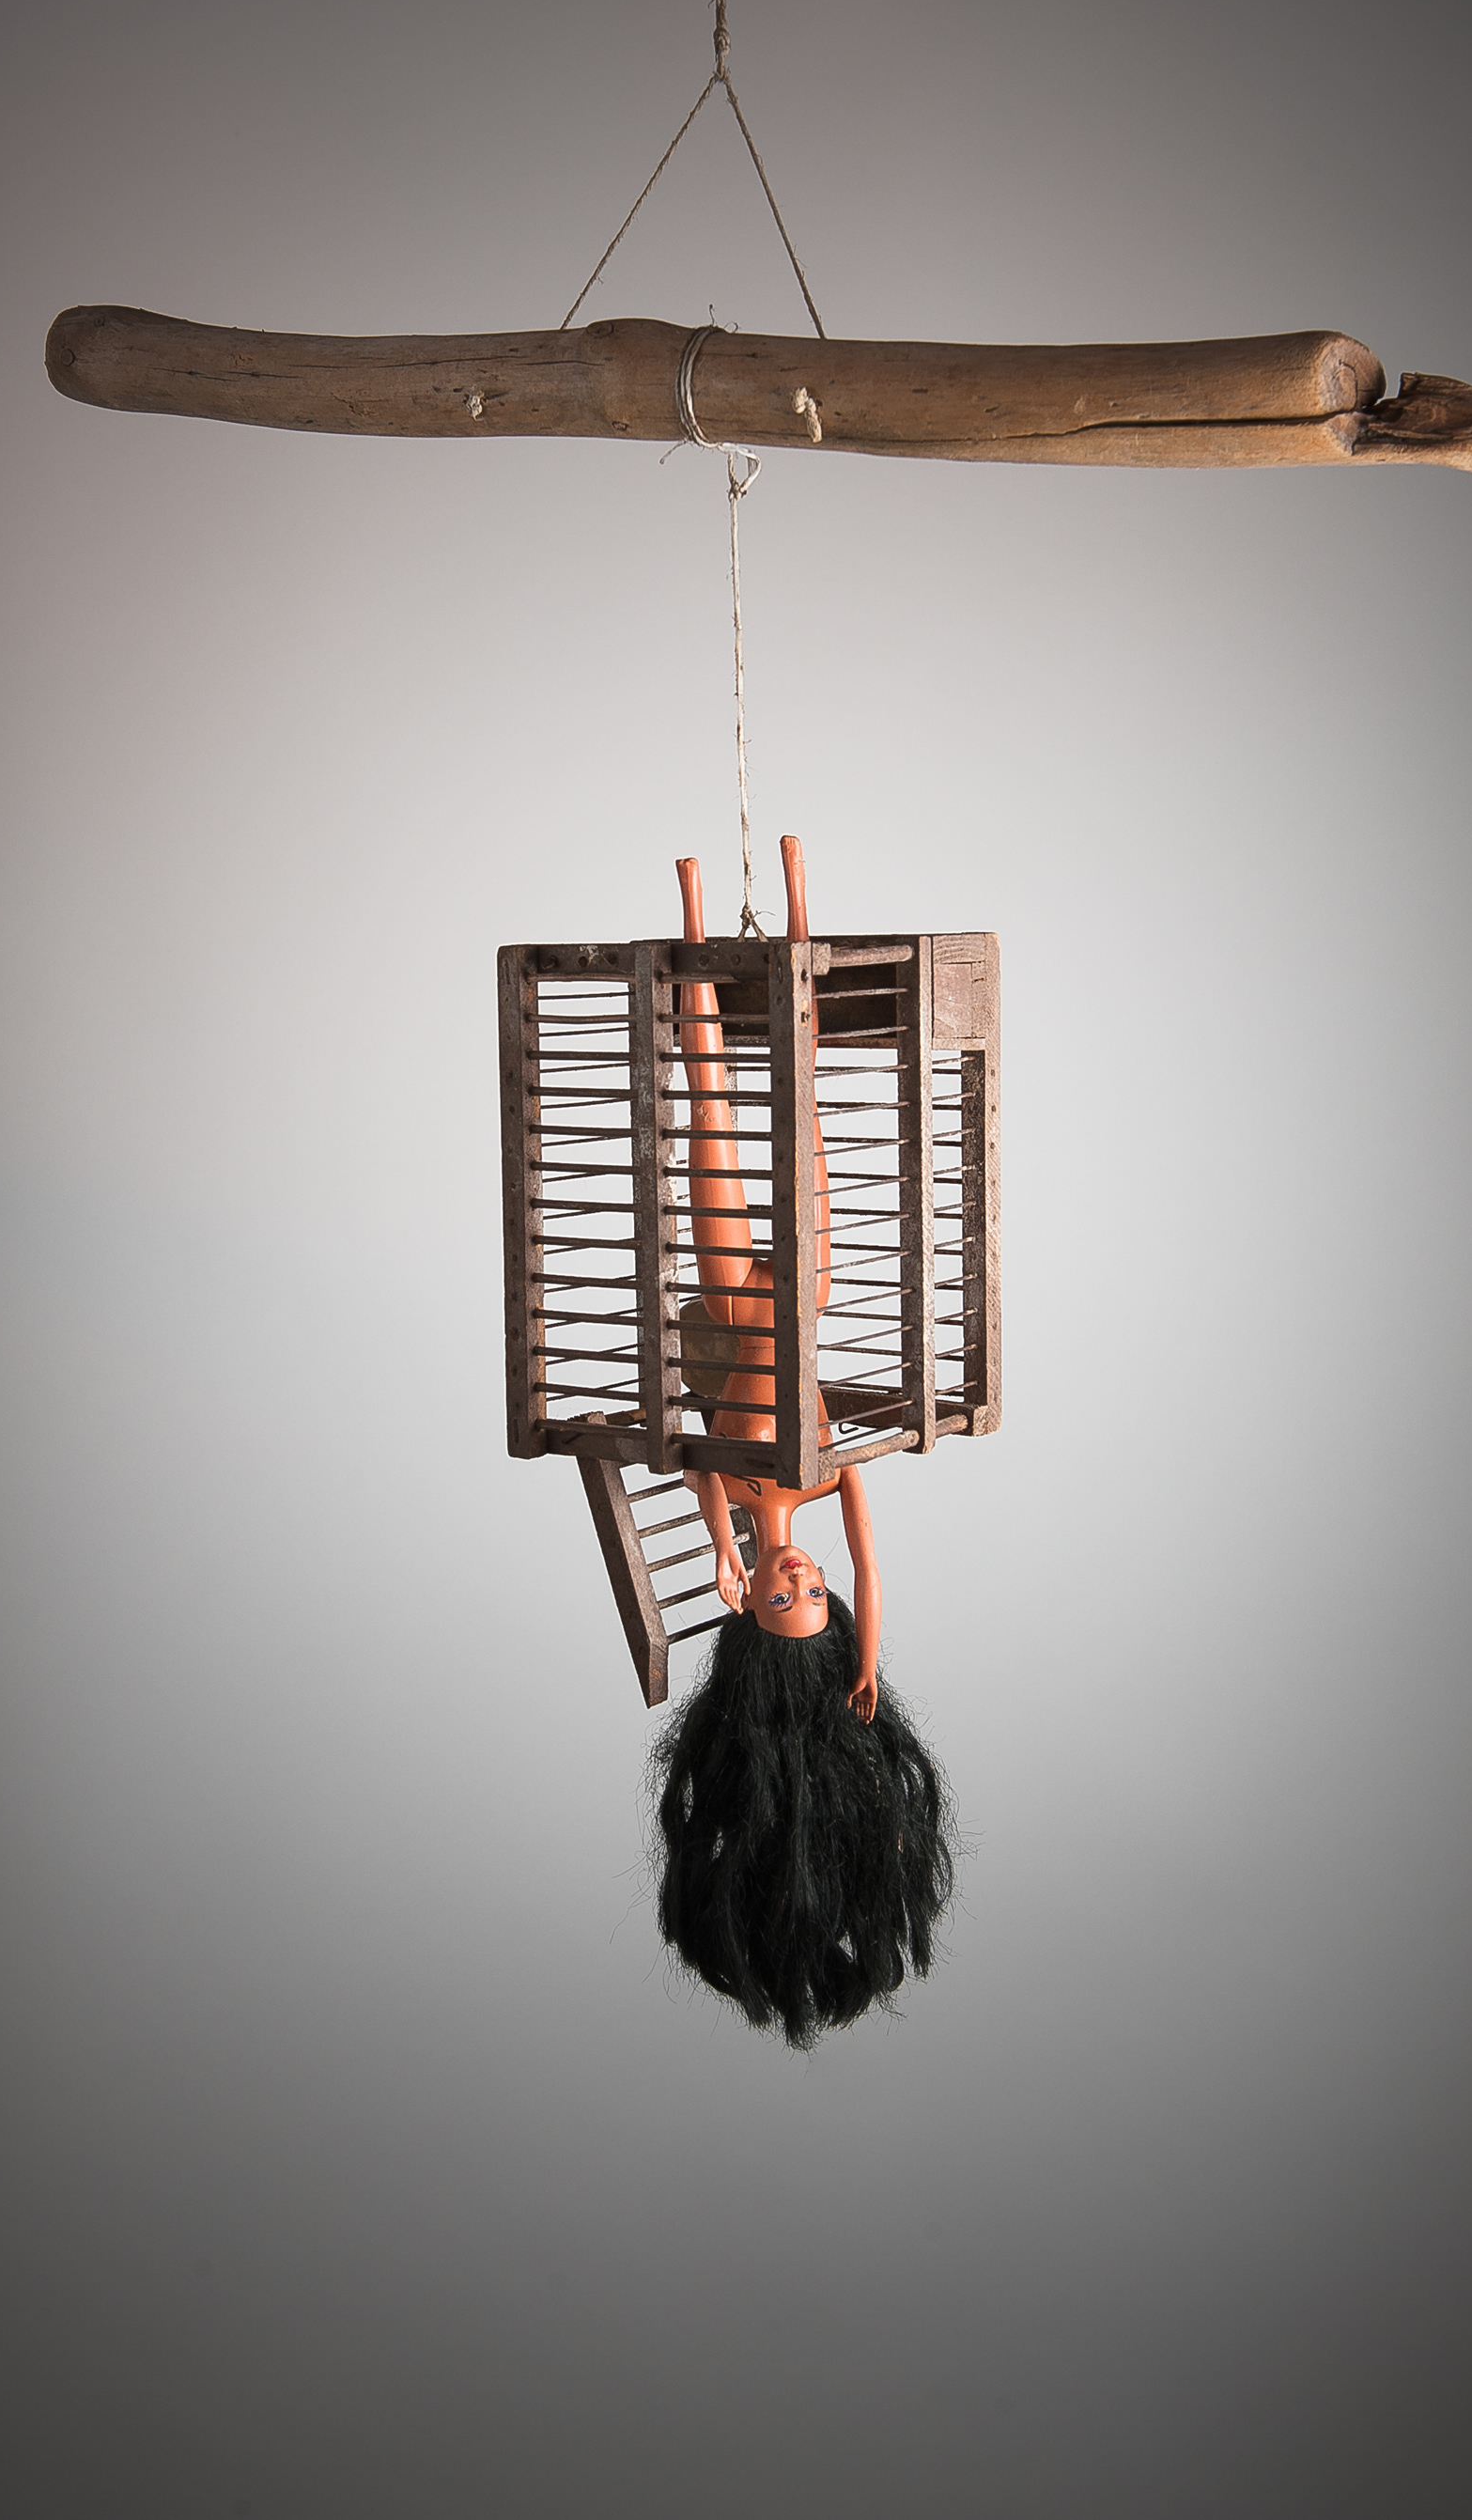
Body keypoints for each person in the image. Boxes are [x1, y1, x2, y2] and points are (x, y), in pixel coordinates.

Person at [654, 835, 954, 2049]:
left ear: (747, 1609)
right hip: (802, 1297)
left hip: (734, 1305)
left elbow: (699, 1467)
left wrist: (725, 1547)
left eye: (779, 1594)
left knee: (710, 1114)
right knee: (801, 1103)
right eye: (808, 1591)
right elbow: (872, 1565)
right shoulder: (829, 1483)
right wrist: (863, 1663)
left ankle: (692, 913)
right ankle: (794, 910)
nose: (800, 1573)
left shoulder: (739, 1499)